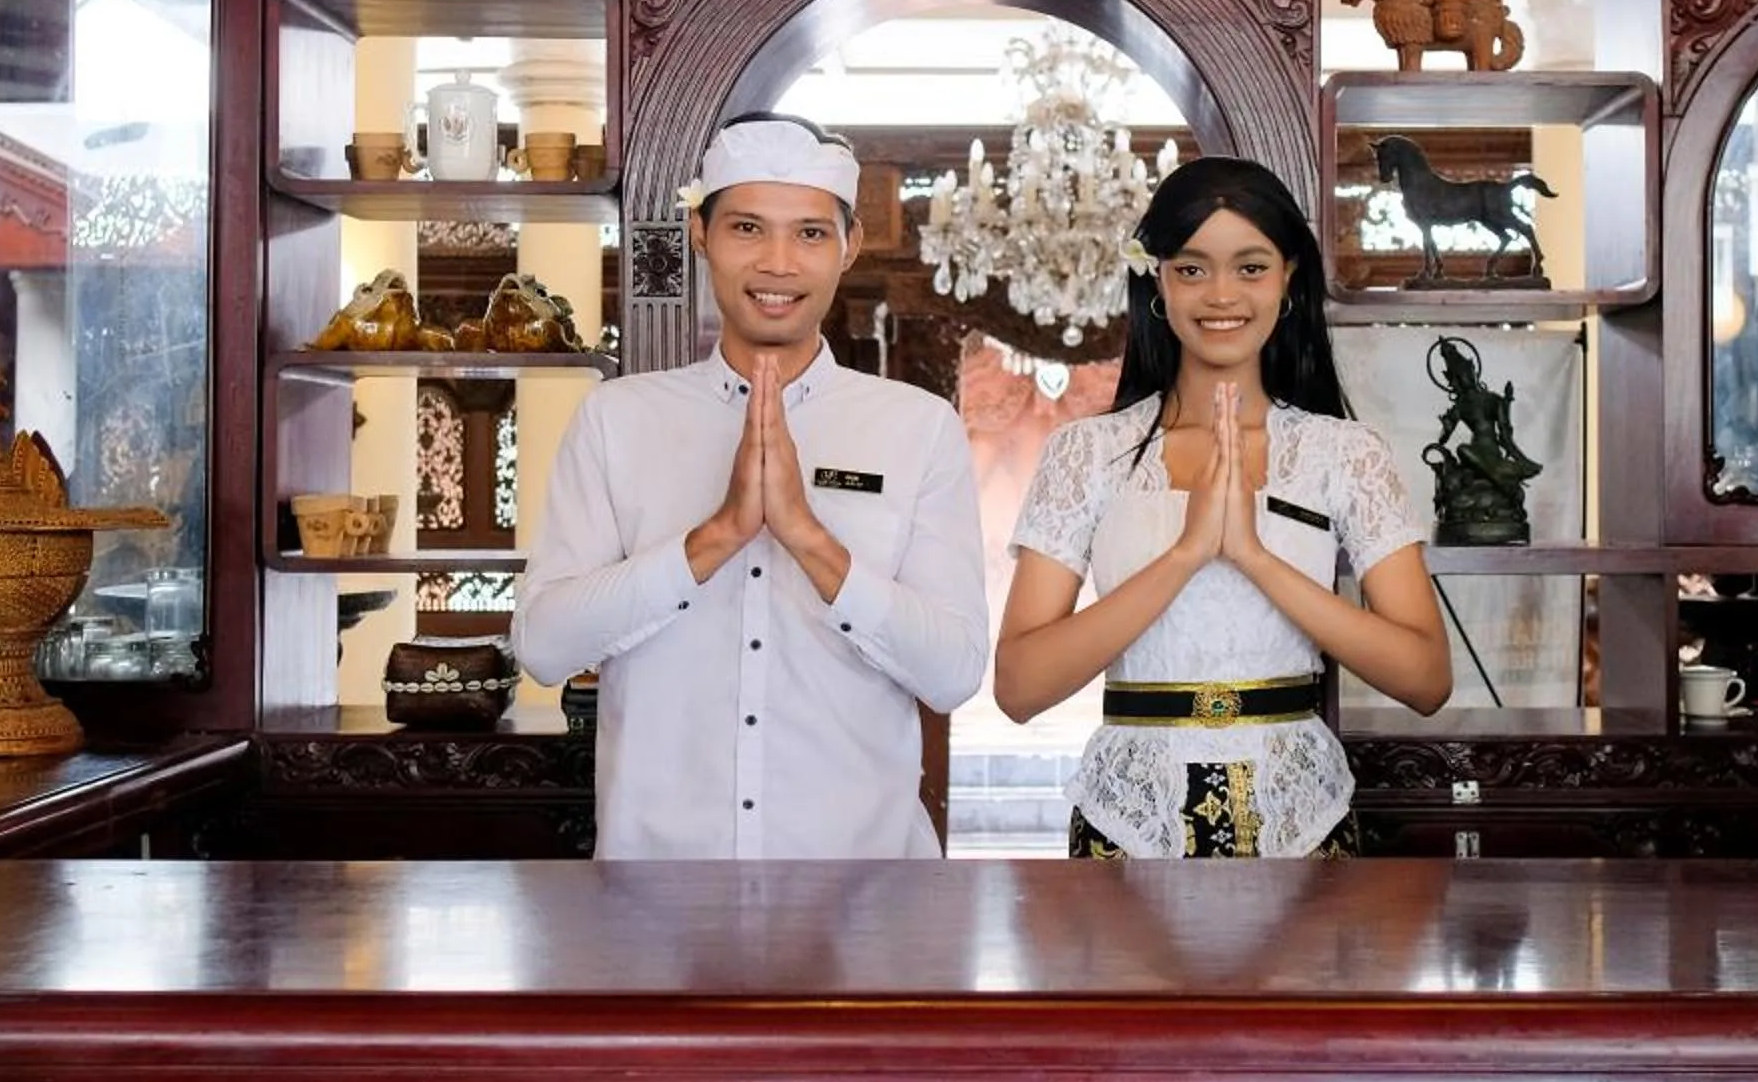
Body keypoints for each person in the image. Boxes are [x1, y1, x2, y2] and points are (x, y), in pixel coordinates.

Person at [516, 112, 986, 858]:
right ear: (700, 235)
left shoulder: (917, 427)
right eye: (746, 229)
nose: (777, 263)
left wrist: (805, 536)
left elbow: (954, 671)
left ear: (848, 246)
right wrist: (718, 537)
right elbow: (542, 646)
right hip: (660, 892)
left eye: (808, 233)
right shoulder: (619, 419)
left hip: (868, 890)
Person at [993, 156, 1450, 858]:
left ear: (1288, 277)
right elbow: (1020, 688)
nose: (1221, 295)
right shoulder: (1087, 452)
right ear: (1158, 281)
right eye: (1192, 268)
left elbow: (1424, 679)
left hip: (1304, 816)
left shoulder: (1346, 453)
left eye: (1251, 267)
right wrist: (1184, 554)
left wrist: (1254, 557)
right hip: (1127, 821)